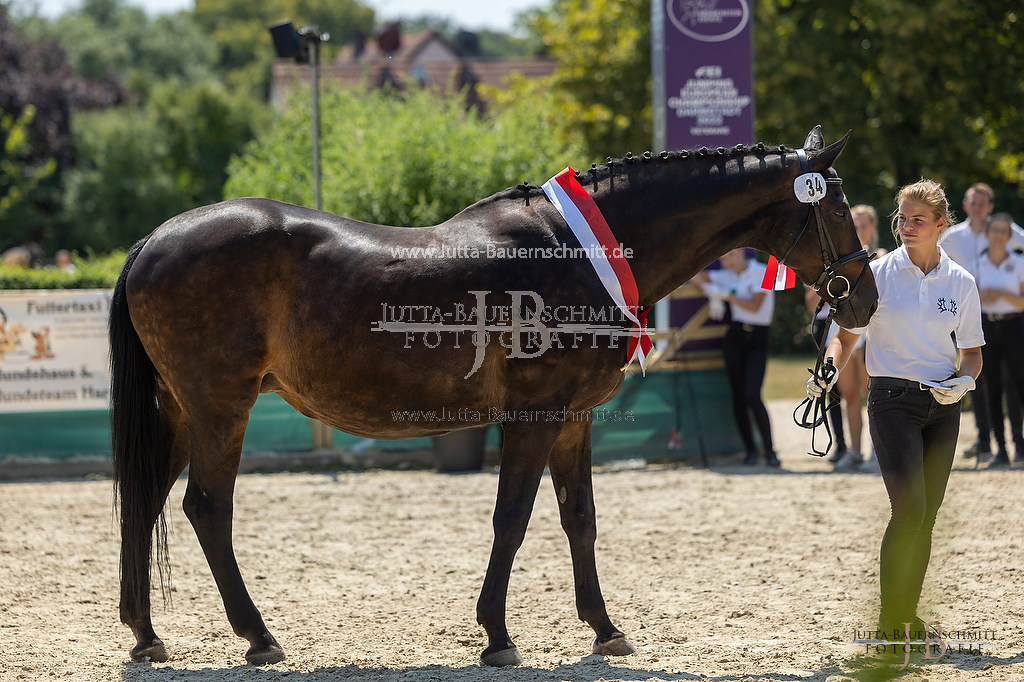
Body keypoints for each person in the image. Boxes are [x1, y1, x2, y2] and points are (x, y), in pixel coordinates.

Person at [807, 179, 983, 638]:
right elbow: (845, 337)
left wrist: (965, 381)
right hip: (891, 401)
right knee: (909, 509)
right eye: (901, 218)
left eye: (917, 219)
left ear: (941, 225)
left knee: (927, 515)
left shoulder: (961, 282)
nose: (906, 226)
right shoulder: (877, 273)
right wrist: (827, 372)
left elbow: (973, 351)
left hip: (944, 406)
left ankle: (908, 613)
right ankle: (889, 621)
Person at [938, 183, 1024, 459]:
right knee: (979, 380)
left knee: (1011, 382)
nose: (976, 208)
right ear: (965, 205)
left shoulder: (1003, 233)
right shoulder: (952, 237)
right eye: (972, 203)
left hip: (1007, 316)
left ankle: (1015, 443)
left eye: (982, 203)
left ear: (989, 207)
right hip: (969, 315)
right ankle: (986, 439)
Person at [694, 248, 779, 466]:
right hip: (735, 337)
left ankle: (769, 451)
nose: (727, 262)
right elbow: (695, 276)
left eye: (730, 256)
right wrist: (711, 291)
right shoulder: (727, 275)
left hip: (758, 338)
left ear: (741, 252)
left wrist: (727, 295)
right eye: (723, 258)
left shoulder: (761, 271)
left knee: (753, 393)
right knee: (739, 396)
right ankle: (750, 450)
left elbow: (756, 305)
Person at [976, 213, 1024, 466]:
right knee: (992, 389)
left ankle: (1021, 444)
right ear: (987, 234)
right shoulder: (978, 264)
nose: (998, 235)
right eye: (994, 230)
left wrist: (1001, 293)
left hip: (1014, 325)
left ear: (1008, 236)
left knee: (1018, 386)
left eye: (1003, 231)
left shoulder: (1018, 263)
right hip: (987, 326)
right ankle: (1001, 449)